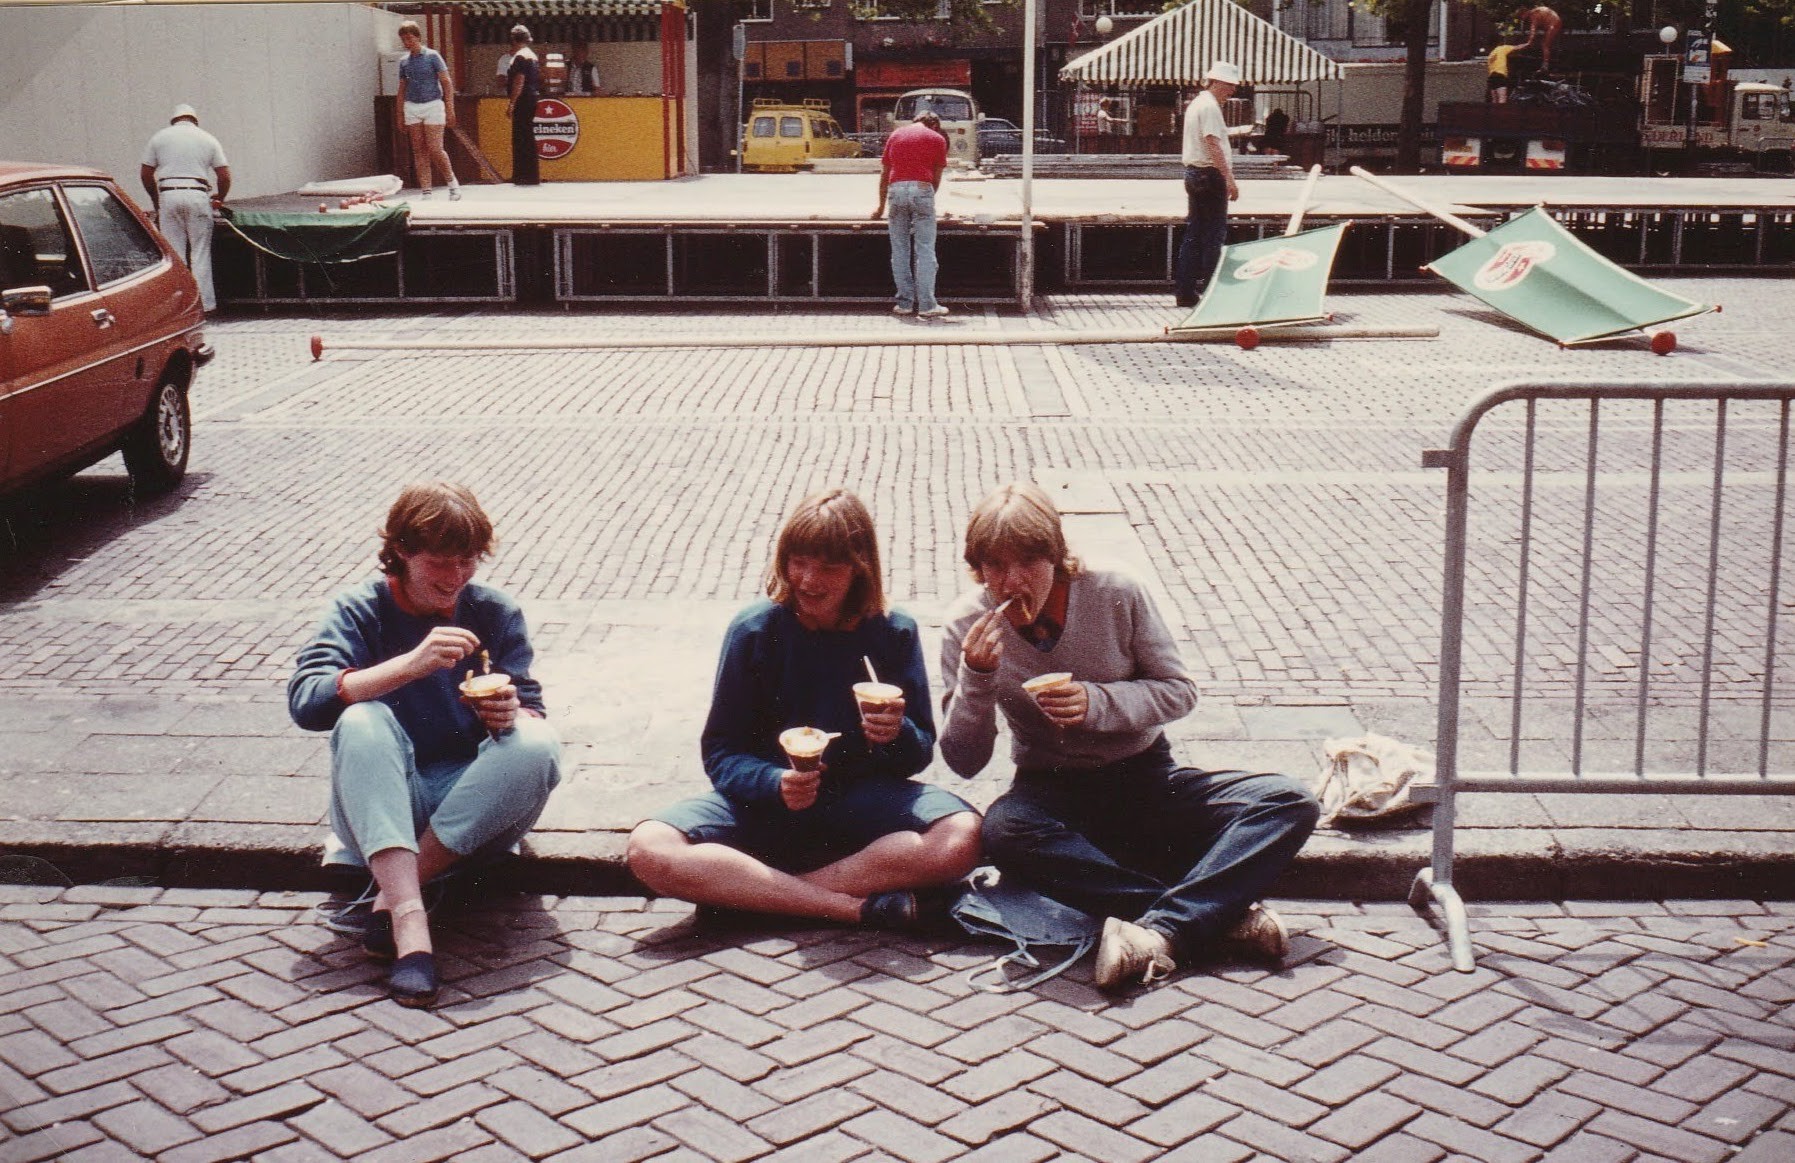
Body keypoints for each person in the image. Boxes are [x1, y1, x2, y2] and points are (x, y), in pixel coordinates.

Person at [938, 483, 1319, 992]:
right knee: (1004, 832)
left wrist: (1099, 703)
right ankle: (1211, 920)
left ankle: (1163, 929)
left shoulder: (1114, 591)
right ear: (977, 566)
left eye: (1028, 562)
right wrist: (977, 678)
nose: (1012, 581)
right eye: (995, 565)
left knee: (1289, 801)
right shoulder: (966, 624)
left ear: (1055, 555)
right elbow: (963, 761)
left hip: (1145, 775)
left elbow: (1179, 691)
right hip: (1050, 787)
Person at [628, 488, 981, 931]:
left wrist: (897, 734)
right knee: (649, 847)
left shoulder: (893, 631)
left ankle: (759, 897)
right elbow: (721, 751)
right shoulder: (755, 630)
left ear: (859, 568)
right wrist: (774, 782)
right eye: (798, 562)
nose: (809, 580)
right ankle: (851, 908)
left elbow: (918, 753)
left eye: (829, 567)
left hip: (861, 799)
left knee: (962, 835)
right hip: (766, 805)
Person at [289, 482, 562, 1007]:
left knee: (537, 742)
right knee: (362, 720)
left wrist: (510, 714)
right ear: (402, 551)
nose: (457, 577)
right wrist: (409, 666)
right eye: (440, 562)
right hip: (379, 806)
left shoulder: (493, 611)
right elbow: (307, 702)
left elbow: (529, 703)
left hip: (471, 811)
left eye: (468, 561)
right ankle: (412, 927)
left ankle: (391, 896)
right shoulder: (360, 609)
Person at [139, 105, 230, 313]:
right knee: (200, 252)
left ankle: (179, 307)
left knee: (175, 254)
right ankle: (205, 305)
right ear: (195, 120)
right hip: (197, 194)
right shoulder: (208, 139)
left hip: (168, 194)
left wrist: (156, 200)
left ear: (173, 120)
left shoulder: (159, 138)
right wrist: (220, 197)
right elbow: (224, 176)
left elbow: (145, 174)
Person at [1173, 61, 1241, 310]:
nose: (1232, 91)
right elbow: (1213, 143)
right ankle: (1213, 292)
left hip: (1194, 173)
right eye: (1230, 85)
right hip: (1210, 175)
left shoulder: (1197, 104)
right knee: (1214, 236)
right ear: (1218, 82)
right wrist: (1229, 179)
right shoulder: (1211, 107)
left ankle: (1185, 292)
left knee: (1194, 234)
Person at [872, 111, 949, 318]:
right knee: (925, 249)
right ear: (934, 124)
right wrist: (925, 201)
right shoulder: (937, 138)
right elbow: (936, 179)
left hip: (896, 190)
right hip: (923, 189)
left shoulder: (895, 135)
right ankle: (927, 306)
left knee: (899, 249)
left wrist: (880, 208)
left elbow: (884, 175)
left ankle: (904, 304)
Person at [394, 21, 461, 201]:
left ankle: (453, 184)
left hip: (433, 105)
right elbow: (402, 89)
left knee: (435, 148)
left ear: (418, 37)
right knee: (419, 150)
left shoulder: (433, 56)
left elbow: (446, 82)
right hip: (412, 107)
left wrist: (450, 108)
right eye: (403, 39)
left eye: (409, 38)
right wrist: (399, 115)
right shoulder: (404, 62)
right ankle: (426, 191)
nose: (407, 42)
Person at [505, 24, 542, 186]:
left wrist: (512, 102)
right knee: (527, 135)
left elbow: (519, 80)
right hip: (532, 97)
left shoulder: (519, 57)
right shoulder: (531, 55)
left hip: (522, 99)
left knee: (520, 137)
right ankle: (531, 174)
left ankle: (522, 175)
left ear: (513, 39)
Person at [1515, 5, 1562, 73]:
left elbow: (1533, 29)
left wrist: (1529, 42)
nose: (1522, 19)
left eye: (1521, 17)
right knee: (1543, 43)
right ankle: (1545, 63)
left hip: (1554, 23)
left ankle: (1545, 66)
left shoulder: (1533, 15)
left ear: (1524, 13)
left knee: (1545, 44)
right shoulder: (1534, 12)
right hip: (1552, 22)